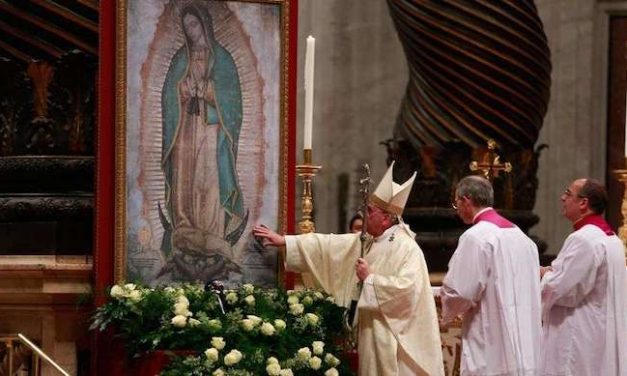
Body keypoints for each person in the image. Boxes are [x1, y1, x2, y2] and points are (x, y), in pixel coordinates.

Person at [253, 161, 444, 376]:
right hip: (371, 333)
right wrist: (286, 242)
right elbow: (330, 246)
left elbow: (408, 292)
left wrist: (370, 280)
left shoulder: (407, 248)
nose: (364, 216)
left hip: (392, 339)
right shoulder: (371, 241)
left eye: (370, 211)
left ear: (387, 218)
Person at [159, 3, 247, 278]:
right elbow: (167, 96)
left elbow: (233, 102)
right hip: (185, 128)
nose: (190, 31)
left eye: (194, 25)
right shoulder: (178, 60)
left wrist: (209, 90)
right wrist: (184, 89)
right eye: (186, 27)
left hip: (211, 131)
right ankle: (185, 229)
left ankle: (211, 233)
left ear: (205, 25)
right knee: (185, 178)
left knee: (208, 179)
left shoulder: (223, 59)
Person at [440, 175, 541, 376]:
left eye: (456, 203)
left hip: (490, 338)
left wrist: (447, 308)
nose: (457, 209)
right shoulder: (523, 238)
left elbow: (461, 292)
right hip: (524, 340)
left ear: (466, 200)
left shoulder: (475, 237)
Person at [540, 178, 626, 376]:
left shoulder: (583, 239)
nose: (563, 198)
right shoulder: (610, 237)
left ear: (583, 203)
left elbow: (562, 290)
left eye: (568, 193)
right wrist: (553, 273)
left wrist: (543, 275)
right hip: (598, 329)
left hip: (577, 333)